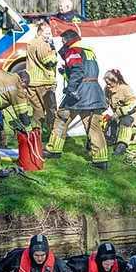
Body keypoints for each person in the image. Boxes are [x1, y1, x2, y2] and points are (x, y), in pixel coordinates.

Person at [44, 29, 108, 170]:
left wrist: (71, 88)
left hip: (78, 92)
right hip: (94, 92)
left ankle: (53, 149)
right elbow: (84, 68)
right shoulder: (88, 50)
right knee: (93, 126)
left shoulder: (73, 51)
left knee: (61, 119)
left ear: (67, 40)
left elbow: (78, 70)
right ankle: (101, 160)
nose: (62, 43)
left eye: (63, 41)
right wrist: (65, 69)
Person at [25, 19, 58, 135]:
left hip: (31, 82)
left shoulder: (31, 43)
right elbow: (48, 61)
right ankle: (53, 135)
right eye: (47, 33)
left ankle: (36, 135)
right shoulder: (43, 44)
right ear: (40, 33)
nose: (50, 36)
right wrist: (54, 52)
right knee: (51, 110)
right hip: (44, 83)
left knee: (37, 111)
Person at [103, 69, 136, 156]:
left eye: (109, 83)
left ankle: (122, 145)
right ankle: (111, 139)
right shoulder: (107, 90)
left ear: (116, 81)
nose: (108, 85)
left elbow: (134, 104)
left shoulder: (125, 88)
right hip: (119, 115)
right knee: (111, 121)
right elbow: (105, 103)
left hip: (133, 114)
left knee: (125, 121)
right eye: (106, 83)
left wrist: (119, 113)